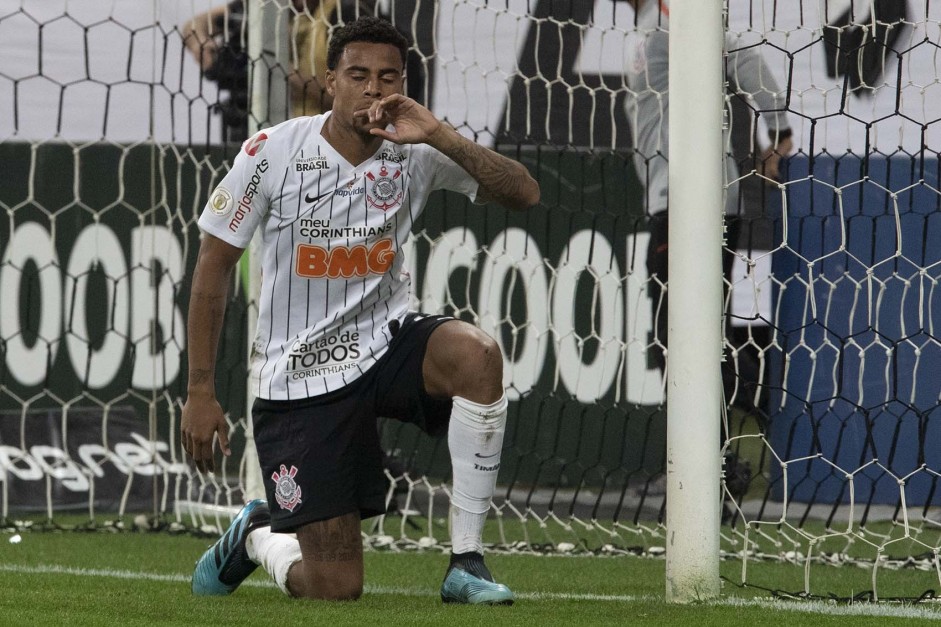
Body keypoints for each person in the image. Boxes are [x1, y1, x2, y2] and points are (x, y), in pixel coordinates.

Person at [181, 15, 540, 604]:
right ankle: (258, 534)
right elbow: (213, 267)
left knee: (477, 355)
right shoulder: (271, 152)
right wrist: (200, 390)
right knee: (335, 588)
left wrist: (440, 136)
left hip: (385, 344)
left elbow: (524, 192)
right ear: (330, 81)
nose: (374, 89)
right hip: (300, 376)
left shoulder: (415, 149)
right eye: (358, 75)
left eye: (387, 76)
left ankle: (466, 563)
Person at [624, 0, 793, 501]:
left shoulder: (675, 19)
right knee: (678, 336)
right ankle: (707, 461)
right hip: (675, 198)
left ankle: (715, 464)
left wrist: (779, 131)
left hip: (694, 200)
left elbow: (737, 50)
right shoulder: (649, 27)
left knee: (686, 336)